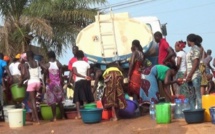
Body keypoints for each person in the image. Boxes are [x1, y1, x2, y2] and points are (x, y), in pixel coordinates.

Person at [19, 51, 43, 124]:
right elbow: (44, 67)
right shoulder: (37, 62)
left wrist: (21, 81)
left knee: (33, 102)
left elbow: (27, 75)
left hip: (31, 82)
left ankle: (37, 120)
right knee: (32, 100)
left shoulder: (26, 64)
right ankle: (33, 117)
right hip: (38, 82)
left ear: (27, 57)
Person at [72, 50, 94, 119]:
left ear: (76, 56)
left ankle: (79, 115)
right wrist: (86, 78)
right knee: (85, 98)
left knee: (77, 99)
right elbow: (88, 75)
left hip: (78, 82)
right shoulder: (87, 64)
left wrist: (83, 77)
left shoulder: (74, 64)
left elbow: (75, 73)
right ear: (83, 56)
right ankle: (86, 114)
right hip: (86, 82)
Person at [44, 51, 65, 121]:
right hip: (58, 85)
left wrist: (46, 84)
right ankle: (63, 116)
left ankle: (54, 117)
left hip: (51, 85)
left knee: (53, 101)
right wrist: (61, 84)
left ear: (48, 57)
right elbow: (61, 76)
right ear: (54, 56)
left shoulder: (47, 65)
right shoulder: (59, 64)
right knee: (60, 101)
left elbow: (46, 76)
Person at [185, 34, 202, 110]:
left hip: (195, 75)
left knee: (197, 94)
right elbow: (189, 64)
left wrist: (189, 75)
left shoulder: (196, 49)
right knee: (191, 94)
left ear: (189, 40)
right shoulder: (192, 49)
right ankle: (192, 110)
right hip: (190, 75)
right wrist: (187, 74)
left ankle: (199, 110)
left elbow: (196, 63)